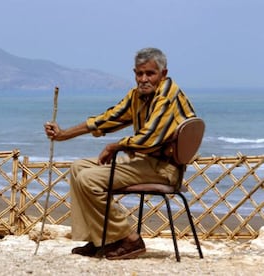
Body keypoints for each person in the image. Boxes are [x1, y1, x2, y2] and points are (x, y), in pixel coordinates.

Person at [44, 47, 197, 260]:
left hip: (164, 168)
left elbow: (148, 138)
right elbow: (106, 119)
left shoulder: (168, 96)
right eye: (139, 73)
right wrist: (63, 134)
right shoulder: (138, 96)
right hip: (144, 162)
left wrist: (114, 146)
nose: (143, 79)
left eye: (150, 73)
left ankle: (129, 239)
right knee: (79, 167)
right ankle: (100, 239)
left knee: (89, 180)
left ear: (163, 74)